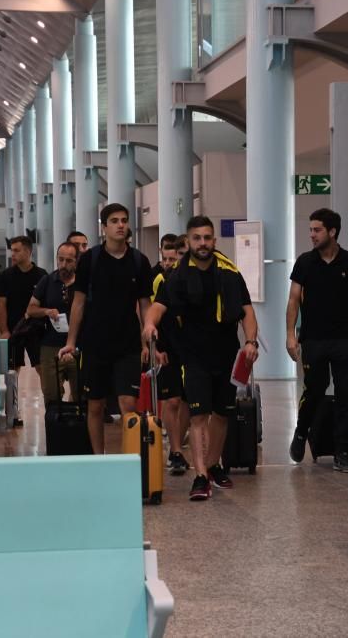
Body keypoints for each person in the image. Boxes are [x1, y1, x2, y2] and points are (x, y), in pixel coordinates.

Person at [143, 215, 259, 501]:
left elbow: (247, 310)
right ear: (189, 241)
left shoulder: (230, 273)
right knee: (198, 415)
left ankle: (213, 464)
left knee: (221, 414)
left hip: (226, 355)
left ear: (214, 241)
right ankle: (199, 475)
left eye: (207, 238)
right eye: (197, 238)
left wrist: (251, 341)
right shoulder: (178, 277)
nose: (203, 243)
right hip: (193, 357)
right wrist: (149, 324)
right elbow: (158, 306)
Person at [58, 203, 153, 454]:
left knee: (128, 404)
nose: (120, 225)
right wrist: (71, 341)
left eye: (124, 220)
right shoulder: (91, 259)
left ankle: (130, 459)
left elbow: (145, 305)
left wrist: (148, 338)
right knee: (96, 406)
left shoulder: (139, 261)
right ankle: (98, 458)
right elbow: (78, 303)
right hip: (95, 344)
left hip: (128, 345)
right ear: (104, 227)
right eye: (114, 221)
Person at [286, 208, 348, 472]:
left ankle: (341, 451)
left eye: (317, 230)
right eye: (311, 229)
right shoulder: (304, 262)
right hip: (312, 340)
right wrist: (291, 335)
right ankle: (302, 432)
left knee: (345, 395)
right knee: (314, 389)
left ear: (332, 232)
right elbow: (293, 300)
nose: (311, 234)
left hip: (343, 340)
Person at [0, 236, 48, 425]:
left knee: (42, 369)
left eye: (17, 250)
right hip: (14, 331)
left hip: (36, 330)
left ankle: (50, 408)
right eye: (12, 250)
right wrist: (4, 330)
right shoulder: (6, 276)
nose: (13, 254)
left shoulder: (42, 275)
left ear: (28, 251)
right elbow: (1, 304)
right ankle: (13, 412)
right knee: (12, 371)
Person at [151, 238, 188, 475]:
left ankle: (180, 441)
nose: (168, 263)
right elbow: (152, 314)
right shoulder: (160, 281)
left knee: (187, 401)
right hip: (167, 348)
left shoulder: (191, 280)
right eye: (165, 259)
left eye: (173, 259)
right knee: (172, 400)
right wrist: (154, 347)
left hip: (191, 348)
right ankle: (175, 450)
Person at [27, 242, 80, 406]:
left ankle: (80, 428)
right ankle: (54, 428)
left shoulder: (84, 283)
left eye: (69, 261)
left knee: (83, 395)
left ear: (77, 261)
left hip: (79, 346)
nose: (64, 265)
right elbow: (31, 309)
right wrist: (46, 311)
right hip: (51, 347)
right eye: (61, 259)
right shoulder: (47, 281)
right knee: (51, 395)